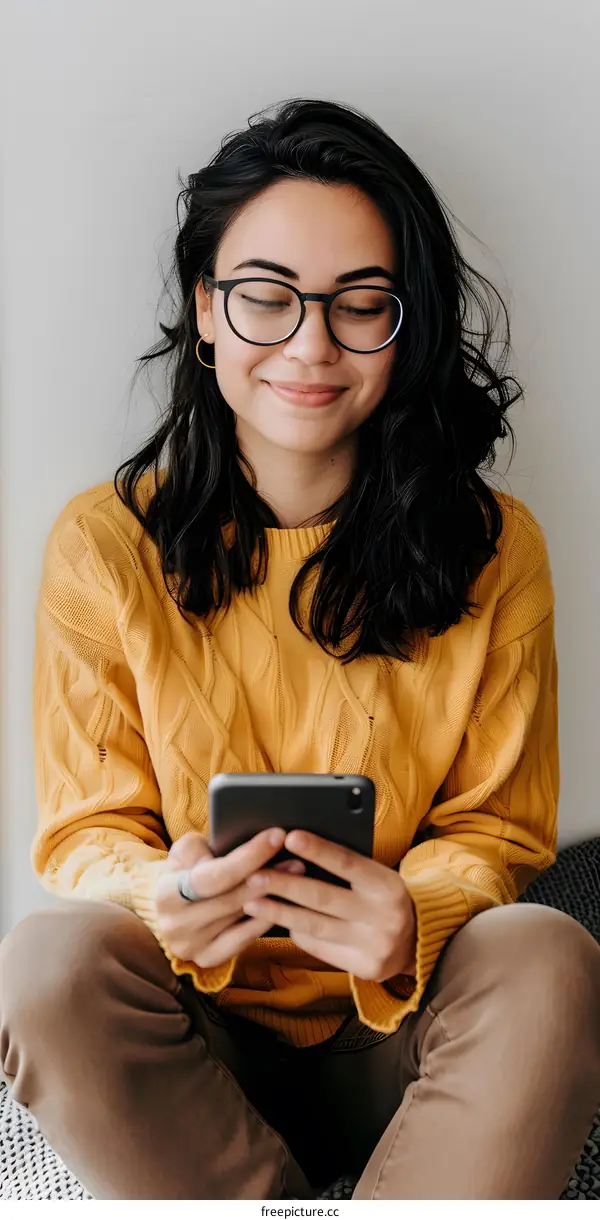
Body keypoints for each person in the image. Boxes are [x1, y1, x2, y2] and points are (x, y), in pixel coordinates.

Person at [1, 97, 599, 1202]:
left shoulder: (497, 548)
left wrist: (406, 920)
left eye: (359, 305)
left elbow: (499, 825)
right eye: (268, 299)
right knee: (46, 961)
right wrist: (164, 889)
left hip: (408, 1032)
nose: (311, 346)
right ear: (206, 312)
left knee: (549, 952)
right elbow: (89, 828)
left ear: (403, 323)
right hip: (190, 1044)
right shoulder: (105, 545)